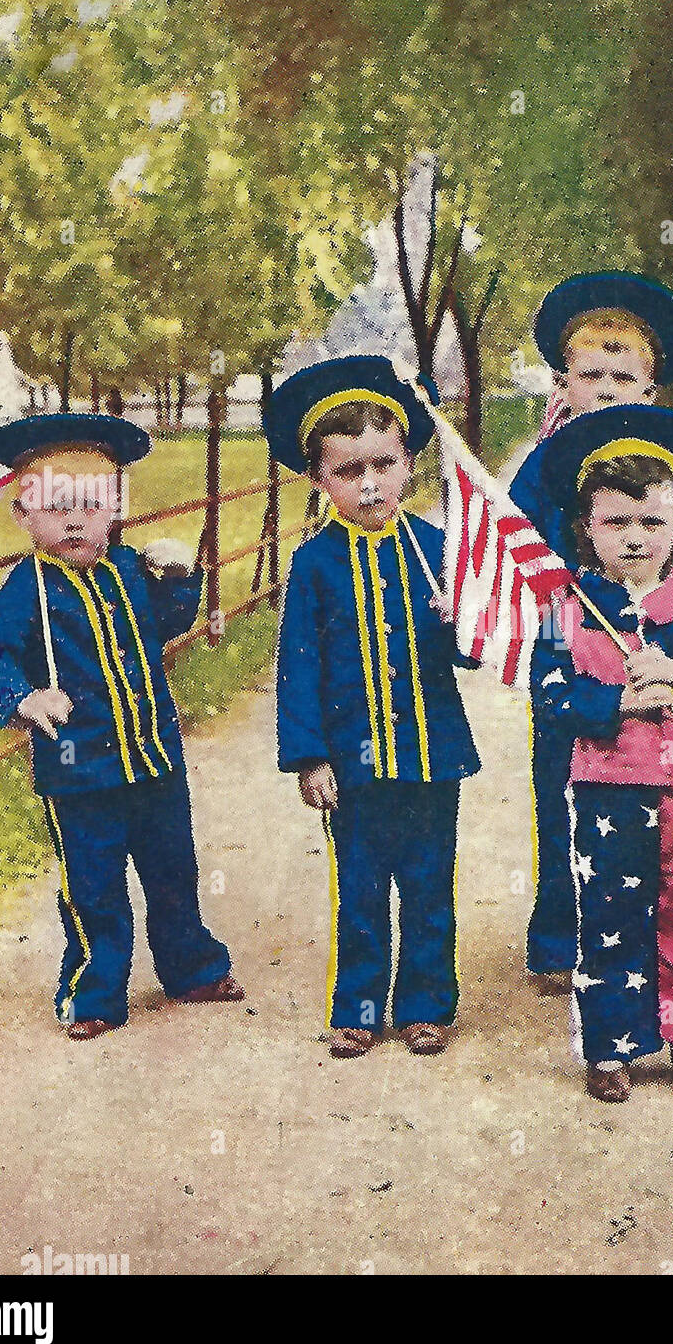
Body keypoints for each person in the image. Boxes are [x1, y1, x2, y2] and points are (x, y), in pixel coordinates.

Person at [0, 414, 242, 1039]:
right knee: (92, 887)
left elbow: (167, 623)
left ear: (116, 506)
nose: (73, 522)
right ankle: (94, 989)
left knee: (173, 870)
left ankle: (191, 965)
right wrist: (25, 698)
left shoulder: (128, 571)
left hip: (154, 761)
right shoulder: (26, 588)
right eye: (55, 507)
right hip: (79, 771)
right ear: (23, 515)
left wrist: (179, 579)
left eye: (90, 506)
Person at [531, 404, 673, 1102]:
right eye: (616, 523)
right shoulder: (568, 607)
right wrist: (617, 702)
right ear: (587, 526)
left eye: (652, 522)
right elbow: (550, 694)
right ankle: (610, 1046)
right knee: (610, 912)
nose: (634, 539)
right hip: (609, 788)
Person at [267, 356, 480, 1058]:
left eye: (383, 466)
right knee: (359, 889)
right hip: (352, 769)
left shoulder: (436, 550)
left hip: (430, 755)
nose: (368, 485)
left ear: (408, 464)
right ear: (319, 480)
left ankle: (425, 1003)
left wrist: (462, 624)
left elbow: (475, 652)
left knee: (428, 885)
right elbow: (298, 667)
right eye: (348, 471)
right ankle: (358, 1003)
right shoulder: (315, 563)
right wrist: (309, 756)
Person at [508, 273, 673, 987]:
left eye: (624, 376)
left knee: (656, 782)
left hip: (653, 643)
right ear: (564, 384)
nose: (608, 388)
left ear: (649, 391)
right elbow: (511, 540)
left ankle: (651, 926)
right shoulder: (545, 463)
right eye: (592, 375)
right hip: (571, 645)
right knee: (563, 784)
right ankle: (562, 932)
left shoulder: (664, 461)